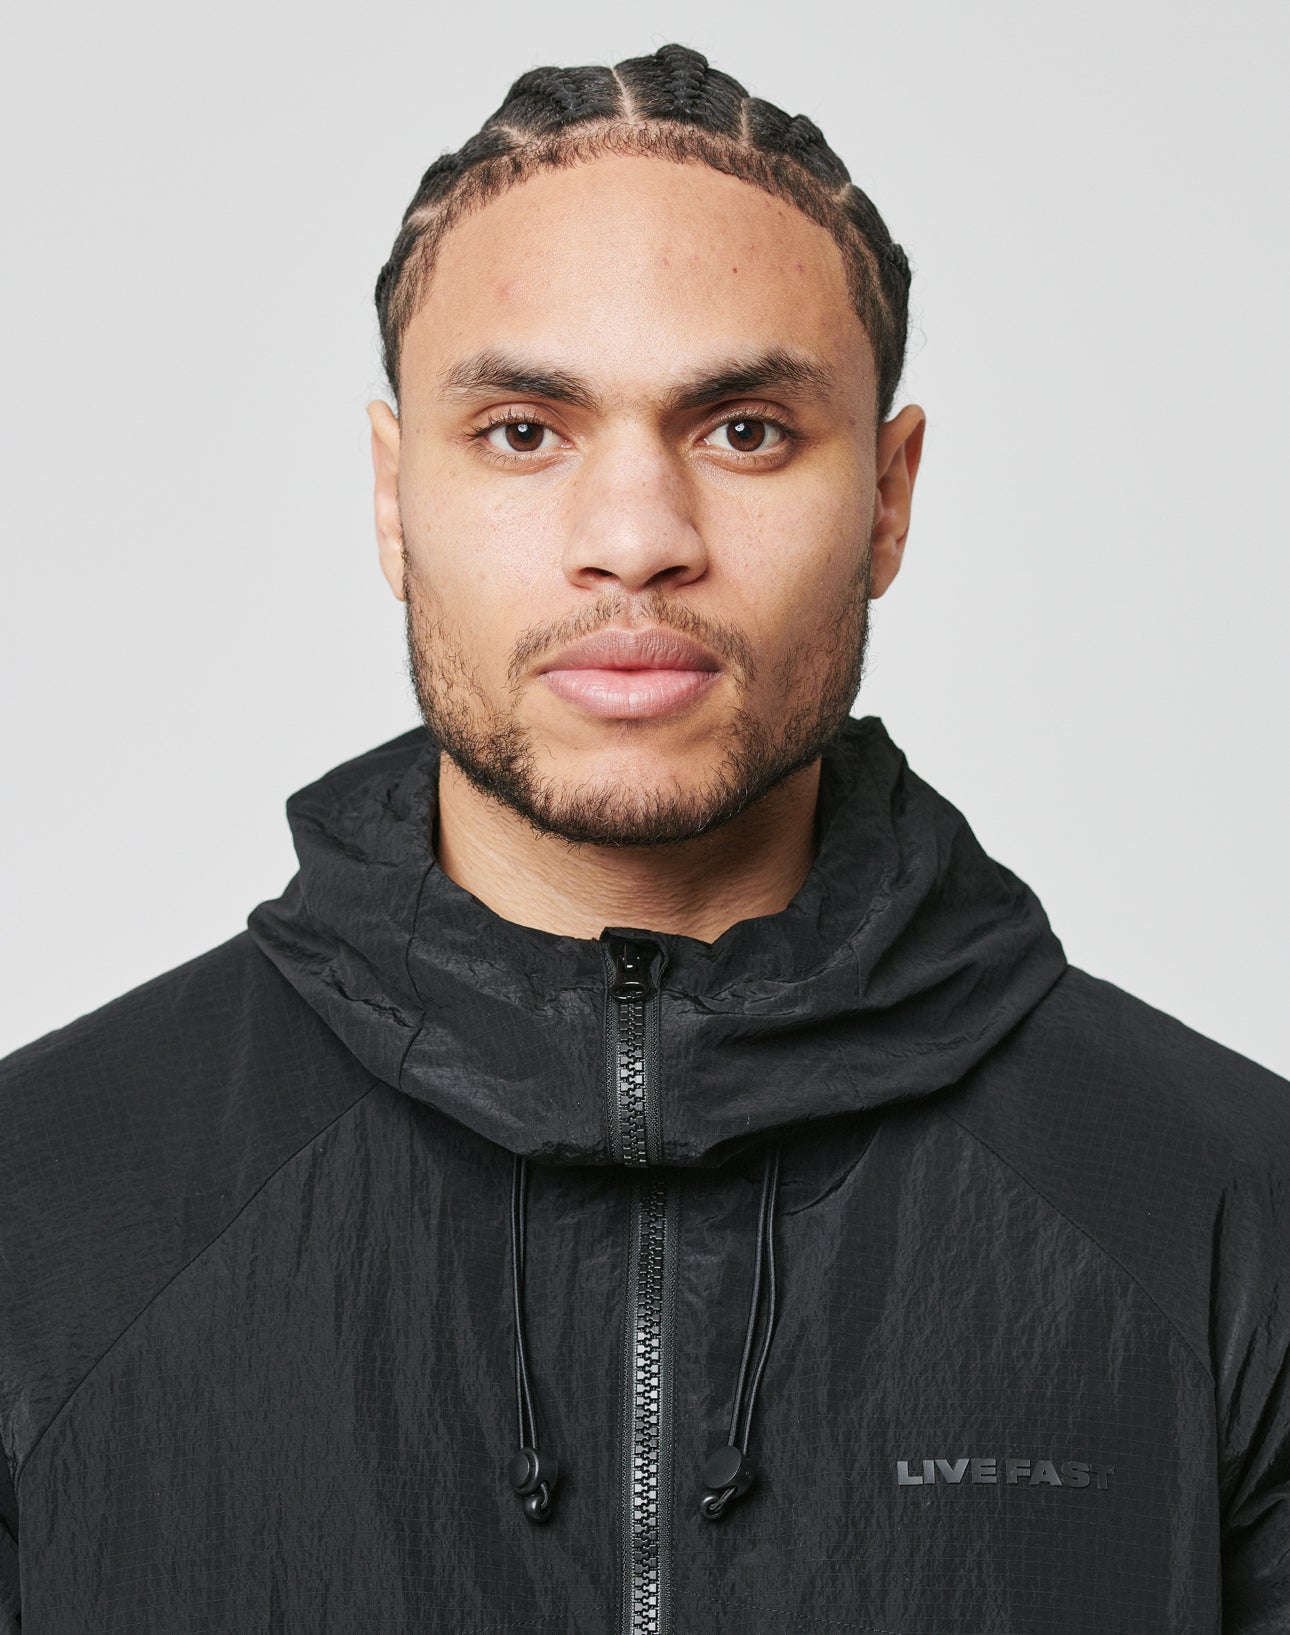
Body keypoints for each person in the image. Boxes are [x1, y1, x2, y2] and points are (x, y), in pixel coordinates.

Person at [1, 39, 1286, 1634]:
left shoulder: (1226, 1212)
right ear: (394, 498)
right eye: (522, 431)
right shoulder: (39, 1209)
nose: (633, 540)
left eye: (742, 430)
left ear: (888, 498)